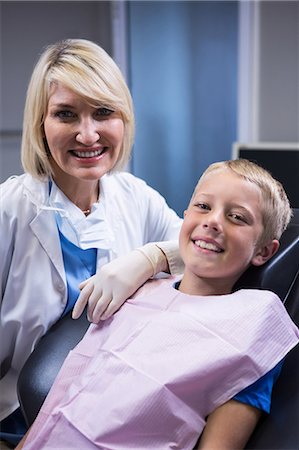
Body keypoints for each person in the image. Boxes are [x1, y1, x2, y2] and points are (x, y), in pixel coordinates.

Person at [17, 159, 299, 450]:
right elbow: (59, 404)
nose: (213, 221)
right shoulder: (140, 293)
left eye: (237, 217)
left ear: (264, 251)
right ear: (185, 214)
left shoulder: (251, 327)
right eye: (203, 206)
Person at [0, 38, 184, 446]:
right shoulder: (9, 210)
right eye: (66, 114)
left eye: (103, 112)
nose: (88, 135)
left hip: (111, 413)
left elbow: (201, 253)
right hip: (18, 420)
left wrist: (148, 257)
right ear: (40, 125)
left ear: (124, 120)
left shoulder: (136, 198)